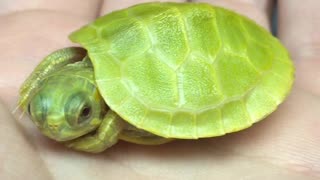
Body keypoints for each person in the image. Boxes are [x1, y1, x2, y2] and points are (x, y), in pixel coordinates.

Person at [0, 0, 319, 179]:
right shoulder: (68, 59)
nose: (52, 125)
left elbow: (110, 127)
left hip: (229, 48)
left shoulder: (109, 120)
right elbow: (63, 57)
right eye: (36, 108)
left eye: (81, 113)